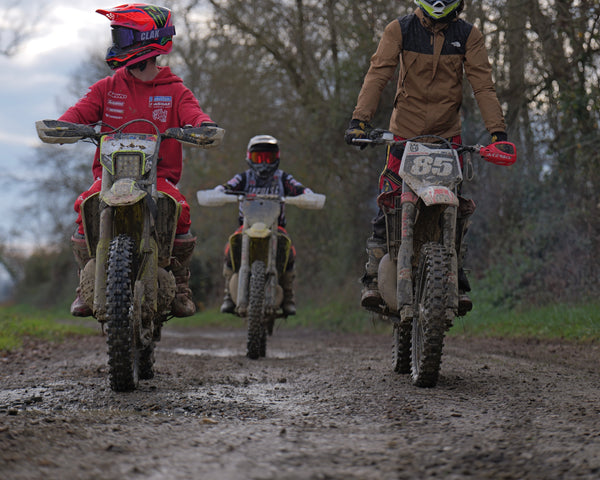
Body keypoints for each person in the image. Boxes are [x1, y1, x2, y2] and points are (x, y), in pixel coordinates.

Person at [344, 0, 508, 315]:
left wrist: (498, 134)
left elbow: (483, 86)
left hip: (448, 138)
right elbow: (378, 74)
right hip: (403, 135)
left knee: (455, 208)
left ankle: (456, 278)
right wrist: (359, 121)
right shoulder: (400, 29)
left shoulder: (468, 35)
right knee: (389, 199)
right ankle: (373, 276)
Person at [60, 3, 219, 318]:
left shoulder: (175, 91)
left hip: (157, 178)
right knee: (85, 205)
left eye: (124, 36)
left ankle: (180, 284)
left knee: (180, 209)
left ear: (148, 41)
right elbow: (78, 112)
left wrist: (203, 126)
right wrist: (63, 125)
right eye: (117, 35)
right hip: (109, 177)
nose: (117, 42)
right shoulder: (107, 87)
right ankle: (86, 283)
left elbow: (194, 114)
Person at [216, 135, 311, 316]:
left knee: (290, 251)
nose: (264, 163)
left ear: (276, 157)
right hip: (246, 227)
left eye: (268, 157)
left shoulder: (282, 177)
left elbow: (299, 188)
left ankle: (288, 295)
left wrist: (308, 195)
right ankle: (228, 293)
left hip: (276, 228)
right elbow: (227, 186)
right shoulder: (244, 177)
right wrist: (218, 192)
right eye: (258, 158)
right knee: (230, 248)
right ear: (249, 157)